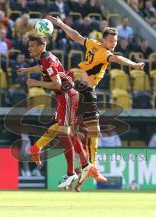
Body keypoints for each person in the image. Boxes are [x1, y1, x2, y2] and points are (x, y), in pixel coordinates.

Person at [47, 15, 145, 188]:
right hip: (86, 92)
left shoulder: (92, 44)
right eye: (111, 40)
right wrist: (134, 65)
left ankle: (86, 165)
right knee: (92, 130)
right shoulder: (105, 53)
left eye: (115, 41)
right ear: (104, 39)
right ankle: (89, 165)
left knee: (76, 128)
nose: (113, 44)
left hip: (79, 88)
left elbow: (76, 36)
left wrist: (61, 24)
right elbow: (118, 59)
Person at [18, 33, 106, 189]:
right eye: (29, 45)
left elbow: (57, 84)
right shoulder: (46, 58)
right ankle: (82, 167)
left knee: (64, 132)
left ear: (41, 46)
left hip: (66, 96)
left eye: (32, 46)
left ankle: (39, 149)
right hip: (68, 96)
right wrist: (27, 70)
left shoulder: (47, 60)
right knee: (67, 133)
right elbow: (42, 68)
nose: (29, 48)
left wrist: (35, 82)